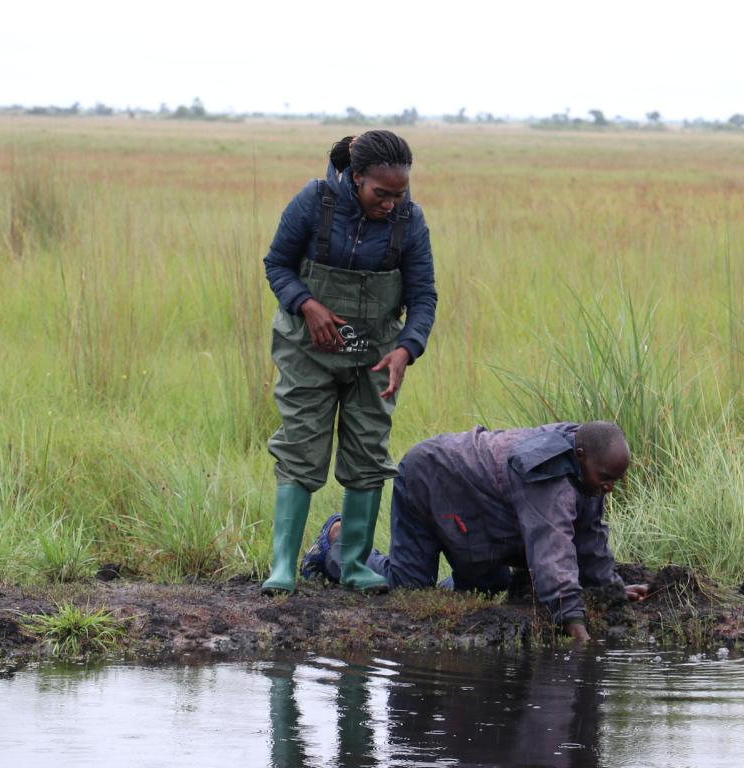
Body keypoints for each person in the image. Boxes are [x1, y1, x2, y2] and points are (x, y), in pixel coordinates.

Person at [260, 130, 437, 594]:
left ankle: (355, 564)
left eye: (399, 194)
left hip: (375, 356)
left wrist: (406, 349)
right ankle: (282, 567)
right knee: (301, 449)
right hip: (306, 350)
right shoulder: (314, 203)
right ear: (356, 178)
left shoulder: (410, 222)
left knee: (367, 454)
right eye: (382, 193)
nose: (391, 204)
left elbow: (423, 297)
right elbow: (277, 264)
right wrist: (307, 304)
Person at [302, 422, 649, 641]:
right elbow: (552, 549)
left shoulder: (585, 468)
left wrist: (610, 586)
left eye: (615, 481)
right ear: (580, 454)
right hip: (429, 477)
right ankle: (336, 542)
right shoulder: (550, 477)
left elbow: (590, 535)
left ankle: (459, 568)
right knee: (407, 584)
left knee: (492, 584)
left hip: (476, 506)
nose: (610, 488)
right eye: (606, 479)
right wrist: (576, 627)